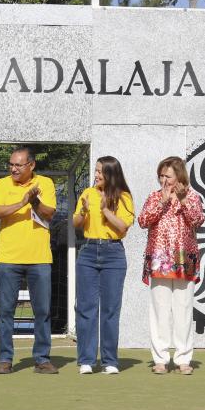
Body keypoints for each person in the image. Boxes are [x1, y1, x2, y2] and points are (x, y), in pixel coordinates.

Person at [0, 146, 57, 375]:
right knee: (5, 311)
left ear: (31, 165)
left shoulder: (45, 183)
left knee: (42, 311)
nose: (13, 169)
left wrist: (35, 202)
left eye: (19, 165)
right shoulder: (1, 184)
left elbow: (49, 213)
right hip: (8, 258)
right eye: (11, 164)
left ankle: (42, 358)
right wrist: (23, 202)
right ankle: (5, 359)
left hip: (39, 258)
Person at [137, 156, 204, 375]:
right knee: (160, 310)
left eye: (168, 176)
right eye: (161, 175)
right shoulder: (154, 197)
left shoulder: (193, 197)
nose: (164, 180)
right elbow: (143, 221)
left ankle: (184, 357)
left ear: (179, 176)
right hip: (159, 258)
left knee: (184, 309)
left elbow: (197, 220)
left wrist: (182, 200)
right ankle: (161, 358)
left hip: (185, 259)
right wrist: (162, 202)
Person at [73, 157, 135, 375]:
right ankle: (87, 360)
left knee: (110, 309)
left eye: (100, 172)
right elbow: (76, 224)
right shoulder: (87, 193)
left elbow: (123, 228)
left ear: (111, 174)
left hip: (113, 253)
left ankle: (110, 360)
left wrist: (106, 210)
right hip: (88, 251)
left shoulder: (124, 197)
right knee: (86, 307)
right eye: (96, 171)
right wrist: (83, 211)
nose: (96, 175)